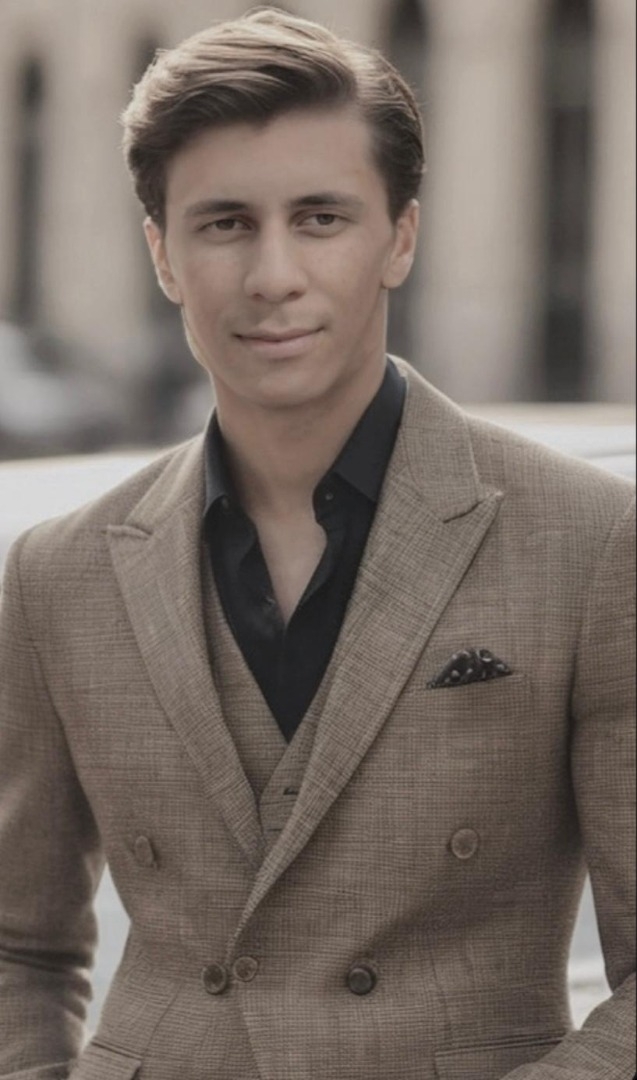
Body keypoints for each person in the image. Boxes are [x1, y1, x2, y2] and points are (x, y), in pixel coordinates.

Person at [0, 8, 634, 1080]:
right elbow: (17, 947)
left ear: (399, 238)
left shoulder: (590, 541)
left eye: (321, 218)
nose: (274, 274)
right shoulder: (57, 572)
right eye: (224, 223)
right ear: (162, 254)